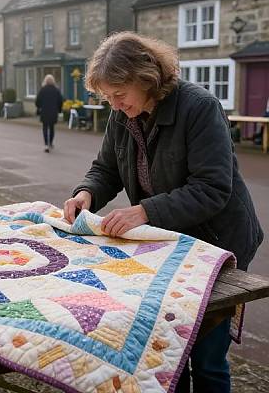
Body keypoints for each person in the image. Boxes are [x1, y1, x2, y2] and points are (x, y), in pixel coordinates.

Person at [63, 32, 263, 393]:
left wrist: (145, 211)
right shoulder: (123, 112)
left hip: (219, 242)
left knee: (207, 358)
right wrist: (86, 193)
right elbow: (106, 168)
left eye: (119, 95)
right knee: (169, 352)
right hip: (170, 241)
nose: (115, 104)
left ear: (146, 77)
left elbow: (212, 188)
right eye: (108, 97)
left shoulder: (199, 107)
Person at [35, 74, 63, 153]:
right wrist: (59, 110)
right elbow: (60, 101)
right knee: (51, 128)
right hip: (53, 112)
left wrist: (39, 107)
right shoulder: (56, 90)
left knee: (45, 128)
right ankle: (50, 143)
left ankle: (46, 145)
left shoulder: (42, 90)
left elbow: (37, 101)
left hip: (44, 112)